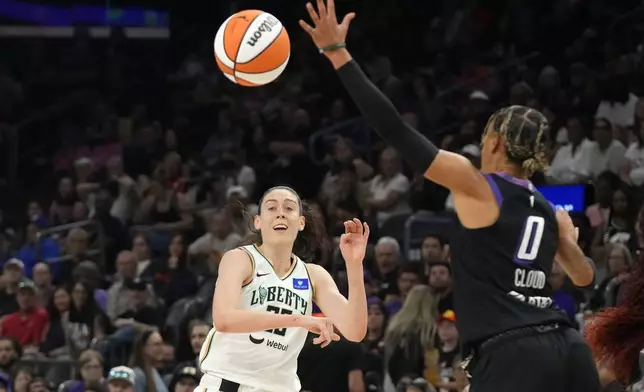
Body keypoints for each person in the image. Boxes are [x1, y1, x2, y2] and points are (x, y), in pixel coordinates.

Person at [299, 1, 598, 391]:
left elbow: (397, 131)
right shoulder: (546, 208)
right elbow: (585, 276)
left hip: (514, 355)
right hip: (570, 349)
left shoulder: (479, 184)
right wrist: (569, 242)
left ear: (493, 141)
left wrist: (338, 54)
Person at [197, 186, 370, 392]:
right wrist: (300, 320)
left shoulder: (313, 275)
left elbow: (355, 330)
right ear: (258, 222)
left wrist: (354, 264)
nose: (281, 213)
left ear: (301, 222)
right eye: (272, 208)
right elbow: (224, 320)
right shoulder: (241, 259)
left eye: (289, 208)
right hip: (231, 383)